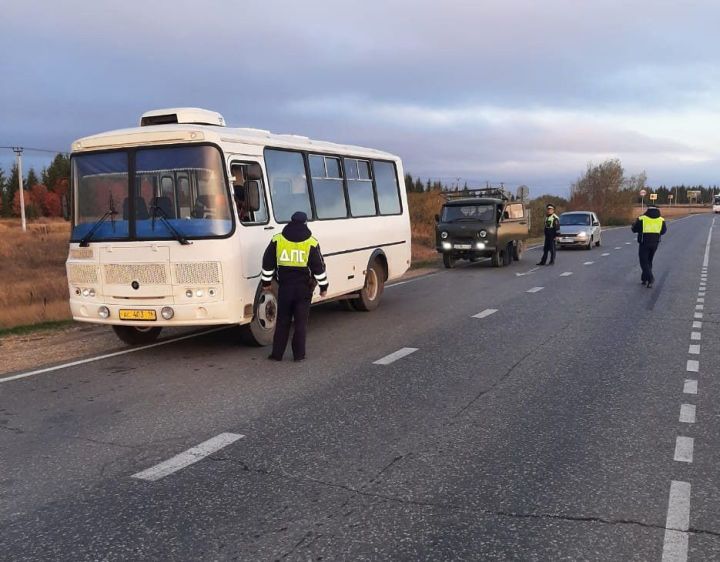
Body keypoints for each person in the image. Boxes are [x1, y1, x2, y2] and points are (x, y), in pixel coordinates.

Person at [262, 211, 328, 361]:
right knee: (300, 323)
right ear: (305, 223)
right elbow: (319, 268)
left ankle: (277, 354)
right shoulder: (311, 242)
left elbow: (267, 264)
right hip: (304, 289)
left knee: (282, 321)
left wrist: (266, 283)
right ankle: (299, 355)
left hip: (284, 288)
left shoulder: (277, 240)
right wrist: (323, 287)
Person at [631, 206, 666, 288]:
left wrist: (634, 226)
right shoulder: (661, 219)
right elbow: (663, 231)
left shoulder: (642, 218)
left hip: (644, 242)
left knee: (643, 261)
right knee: (649, 261)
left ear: (648, 210)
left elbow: (634, 229)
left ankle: (650, 278)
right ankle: (644, 279)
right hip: (655, 243)